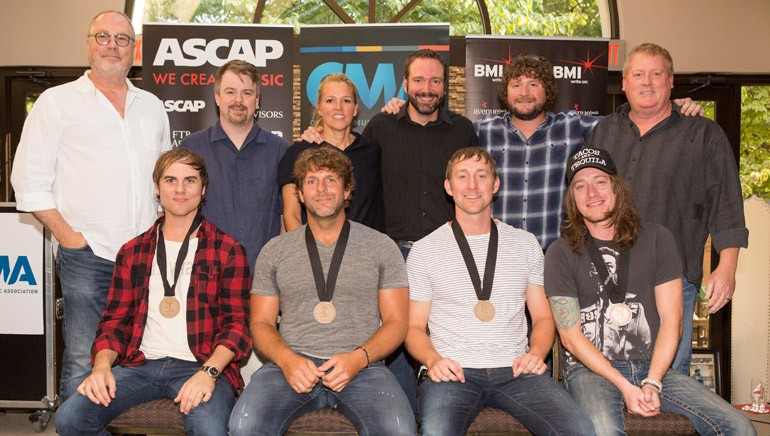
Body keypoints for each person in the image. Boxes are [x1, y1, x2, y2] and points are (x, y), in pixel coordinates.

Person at [301, 48, 477, 410]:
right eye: (418, 80)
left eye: (435, 81)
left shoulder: (463, 129)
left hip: (448, 251)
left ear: (445, 86)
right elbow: (342, 162)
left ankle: (447, 404)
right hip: (393, 250)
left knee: (445, 330)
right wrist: (314, 134)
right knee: (394, 336)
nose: (426, 88)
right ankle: (401, 413)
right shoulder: (381, 127)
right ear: (405, 84)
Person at [11, 10, 171, 402]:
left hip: (146, 256)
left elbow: (164, 177)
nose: (112, 45)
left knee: (139, 356)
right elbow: (27, 184)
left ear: (135, 49)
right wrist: (72, 240)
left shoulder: (151, 106)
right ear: (88, 44)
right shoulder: (56, 103)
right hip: (89, 255)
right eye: (103, 37)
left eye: (122, 39)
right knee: (85, 359)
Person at [382, 55, 701, 251]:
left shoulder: (575, 127)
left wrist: (672, 106)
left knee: (552, 346)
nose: (524, 92)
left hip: (556, 254)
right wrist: (400, 107)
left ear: (547, 92)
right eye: (516, 84)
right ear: (504, 92)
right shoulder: (482, 131)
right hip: (497, 255)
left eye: (533, 84)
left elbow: (629, 121)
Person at [544, 147, 755, 435]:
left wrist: (653, 381)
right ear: (572, 199)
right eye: (580, 186)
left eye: (600, 182)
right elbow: (570, 335)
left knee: (739, 427)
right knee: (604, 431)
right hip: (590, 370)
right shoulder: (560, 252)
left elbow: (672, 320)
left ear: (617, 189)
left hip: (653, 366)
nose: (591, 192)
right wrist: (625, 386)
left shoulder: (658, 238)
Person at [54, 148, 252, 435]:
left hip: (199, 364)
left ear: (203, 187)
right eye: (170, 180)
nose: (180, 189)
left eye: (190, 180)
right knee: (69, 418)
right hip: (139, 365)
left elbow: (237, 327)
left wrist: (208, 373)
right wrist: (101, 368)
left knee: (210, 430)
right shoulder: (133, 251)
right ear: (157, 188)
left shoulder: (227, 250)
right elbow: (113, 323)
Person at [405, 147, 594, 435]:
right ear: (448, 186)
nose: (471, 186)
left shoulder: (525, 243)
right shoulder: (423, 250)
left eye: (481, 176)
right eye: (462, 176)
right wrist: (433, 361)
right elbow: (413, 328)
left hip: (517, 370)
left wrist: (537, 353)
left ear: (495, 185)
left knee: (579, 430)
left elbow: (543, 317)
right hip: (453, 371)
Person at [586, 43, 748, 374]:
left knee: (668, 386)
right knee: (603, 382)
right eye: (639, 74)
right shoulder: (603, 131)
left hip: (671, 282)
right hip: (605, 280)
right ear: (625, 83)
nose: (647, 82)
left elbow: (726, 204)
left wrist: (727, 268)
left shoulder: (703, 134)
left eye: (656, 74)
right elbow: (583, 201)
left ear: (671, 81)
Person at [230, 147, 414, 435]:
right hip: (290, 366)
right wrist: (287, 360)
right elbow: (261, 323)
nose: (322, 189)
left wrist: (358, 358)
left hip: (363, 367)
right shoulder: (274, 251)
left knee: (398, 429)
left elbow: (397, 323)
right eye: (312, 181)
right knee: (245, 426)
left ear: (347, 190)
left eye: (331, 180)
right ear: (300, 194)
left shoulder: (381, 247)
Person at [181, 59, 288, 269]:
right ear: (217, 98)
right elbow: (178, 212)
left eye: (247, 93)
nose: (238, 100)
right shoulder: (191, 148)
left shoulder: (281, 151)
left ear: (257, 100)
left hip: (262, 279)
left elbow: (287, 219)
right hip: (204, 275)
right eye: (230, 92)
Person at [278, 73, 383, 232]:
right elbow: (292, 215)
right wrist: (305, 253)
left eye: (346, 100)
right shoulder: (298, 153)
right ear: (319, 108)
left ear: (355, 108)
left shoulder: (372, 151)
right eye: (330, 100)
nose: (338, 107)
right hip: (315, 252)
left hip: (365, 253)